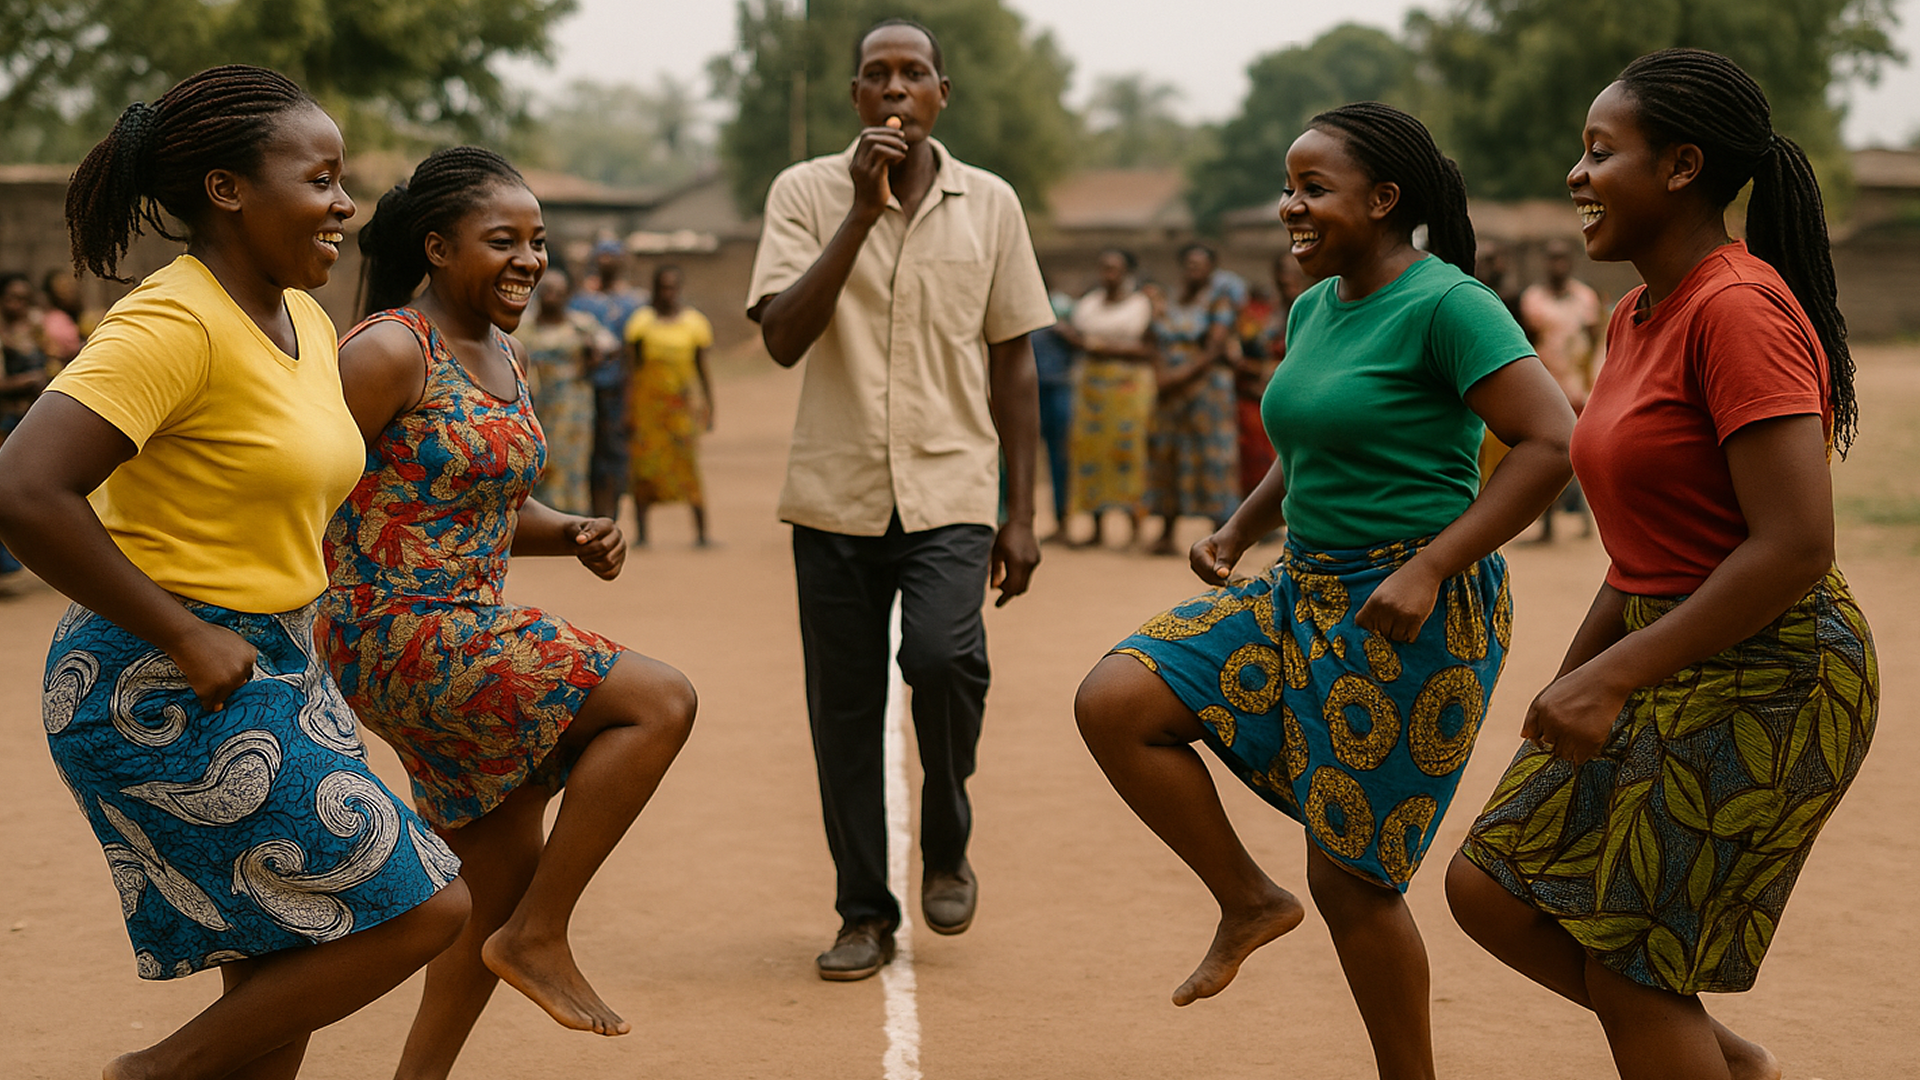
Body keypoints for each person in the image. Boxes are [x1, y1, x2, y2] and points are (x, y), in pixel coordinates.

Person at [1074, 102, 1576, 1080]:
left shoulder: (1447, 305)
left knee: (1352, 884)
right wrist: (1239, 525)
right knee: (1117, 699)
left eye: (1313, 189)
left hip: (1414, 607)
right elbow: (1308, 443)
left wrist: (1430, 567)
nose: (1287, 207)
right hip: (1301, 585)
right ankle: (1247, 899)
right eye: (1288, 187)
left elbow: (1552, 442)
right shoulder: (1314, 306)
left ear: (1386, 200)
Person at [0, 65, 471, 1080]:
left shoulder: (301, 318)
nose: (345, 202)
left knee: (283, 963)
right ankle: (149, 1075)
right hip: (156, 684)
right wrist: (181, 631)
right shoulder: (173, 322)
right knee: (428, 907)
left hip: (281, 667)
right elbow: (25, 487)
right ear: (228, 191)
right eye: (321, 177)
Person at [1448, 49, 1876, 1080]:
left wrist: (1615, 675)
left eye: (1602, 153)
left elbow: (1794, 544)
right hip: (1670, 655)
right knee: (1492, 888)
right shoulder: (1638, 314)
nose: (1576, 176)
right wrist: (1579, 668)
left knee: (1633, 966)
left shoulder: (1739, 310)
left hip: (1773, 672)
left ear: (1682, 167)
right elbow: (1652, 542)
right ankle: (1736, 1067)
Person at [328, 146, 697, 1075]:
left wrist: (570, 529)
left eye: (538, 241)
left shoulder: (506, 352)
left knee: (482, 900)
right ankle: (543, 934)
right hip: (397, 628)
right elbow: (294, 484)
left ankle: (485, 976)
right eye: (504, 240)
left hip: (457, 623)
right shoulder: (385, 349)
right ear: (439, 246)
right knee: (659, 701)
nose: (530, 259)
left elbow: (475, 504)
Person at [746, 16, 1052, 982]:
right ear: (855, 97)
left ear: (940, 94)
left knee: (944, 656)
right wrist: (861, 211)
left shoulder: (992, 204)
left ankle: (948, 829)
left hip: (952, 487)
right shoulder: (803, 192)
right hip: (834, 493)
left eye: (911, 74)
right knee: (843, 712)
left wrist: (1023, 513)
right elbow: (785, 337)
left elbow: (1015, 362)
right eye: (875, 74)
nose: (893, 89)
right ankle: (864, 914)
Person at [1146, 244, 1242, 555]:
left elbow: (1214, 349)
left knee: (1210, 457)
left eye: (1200, 265)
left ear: (1212, 269)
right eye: (1189, 263)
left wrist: (1175, 378)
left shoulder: (1219, 302)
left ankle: (1221, 535)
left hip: (1205, 391)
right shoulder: (1168, 300)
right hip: (1169, 393)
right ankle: (1166, 530)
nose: (1193, 269)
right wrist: (1162, 374)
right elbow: (1153, 340)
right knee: (1168, 454)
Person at [1058, 248, 1155, 548]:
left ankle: (1134, 527)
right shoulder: (1088, 305)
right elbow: (1077, 339)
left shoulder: (1141, 305)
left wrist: (1095, 346)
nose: (1107, 274)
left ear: (1127, 272)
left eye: (1114, 269)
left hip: (1128, 389)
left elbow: (1149, 349)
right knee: (1091, 454)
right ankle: (1096, 527)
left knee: (1129, 453)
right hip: (1092, 390)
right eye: (1104, 268)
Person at [1518, 237, 1603, 540]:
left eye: (1562, 258)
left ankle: (1587, 522)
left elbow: (1594, 339)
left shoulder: (1585, 298)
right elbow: (1527, 341)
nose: (1557, 264)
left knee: (1581, 456)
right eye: (1552, 258)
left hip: (1577, 388)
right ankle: (1549, 524)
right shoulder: (1533, 300)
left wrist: (1586, 372)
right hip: (1546, 388)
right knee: (1549, 454)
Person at [625, 264, 716, 547]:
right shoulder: (641, 322)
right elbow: (630, 370)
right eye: (663, 287)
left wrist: (710, 406)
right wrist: (627, 411)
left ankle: (701, 535)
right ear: (655, 289)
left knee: (687, 467)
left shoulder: (694, 324)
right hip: (648, 409)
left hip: (681, 408)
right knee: (645, 469)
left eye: (673, 287)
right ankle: (642, 535)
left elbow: (702, 369)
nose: (668, 293)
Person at [568, 238, 645, 521]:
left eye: (612, 257)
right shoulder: (581, 302)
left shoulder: (636, 303)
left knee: (617, 452)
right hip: (585, 388)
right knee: (588, 452)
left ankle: (612, 513)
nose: (607, 262)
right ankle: (589, 510)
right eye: (602, 257)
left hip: (619, 387)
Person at [520, 269, 604, 515]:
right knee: (541, 458)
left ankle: (572, 514)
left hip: (574, 407)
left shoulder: (582, 325)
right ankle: (541, 516)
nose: (552, 297)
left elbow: (609, 348)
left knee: (573, 461)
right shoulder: (524, 329)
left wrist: (593, 357)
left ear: (568, 295)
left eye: (558, 292)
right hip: (538, 405)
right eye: (547, 291)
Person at [1235, 253, 1309, 502]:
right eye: (1282, 271)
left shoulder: (1315, 309)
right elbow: (1241, 351)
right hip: (1258, 392)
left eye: (1292, 271)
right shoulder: (1261, 314)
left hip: (1300, 392)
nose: (1286, 277)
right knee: (1256, 453)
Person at [1031, 281, 1078, 543]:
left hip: (1058, 388)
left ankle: (1062, 522)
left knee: (1060, 458)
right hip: (1027, 392)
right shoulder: (1014, 304)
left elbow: (1078, 341)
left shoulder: (1062, 307)